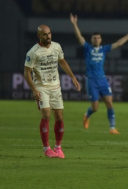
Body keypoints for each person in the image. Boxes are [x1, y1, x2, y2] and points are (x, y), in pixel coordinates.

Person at [70, 13, 128, 134]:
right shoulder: (87, 48)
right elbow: (79, 37)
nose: (96, 39)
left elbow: (119, 43)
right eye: (94, 38)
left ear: (101, 40)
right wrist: (75, 24)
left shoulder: (104, 49)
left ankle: (112, 127)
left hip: (102, 80)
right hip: (91, 80)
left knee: (109, 103)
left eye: (98, 38)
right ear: (91, 40)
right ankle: (87, 115)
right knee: (95, 107)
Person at [24, 25, 81, 158]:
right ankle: (46, 148)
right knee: (46, 115)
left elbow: (62, 62)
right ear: (39, 36)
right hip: (41, 87)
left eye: (49, 33)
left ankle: (58, 147)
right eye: (45, 34)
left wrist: (72, 77)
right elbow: (27, 72)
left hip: (55, 86)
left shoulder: (56, 47)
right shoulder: (33, 52)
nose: (48, 36)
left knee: (59, 116)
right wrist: (34, 89)